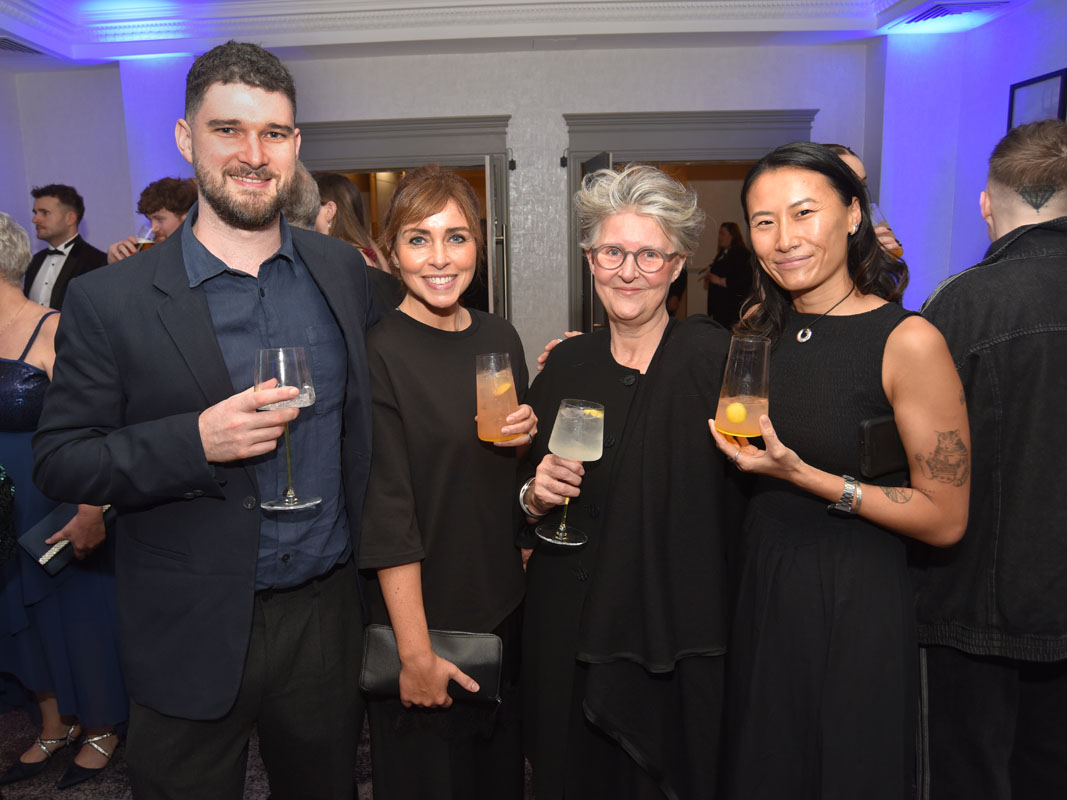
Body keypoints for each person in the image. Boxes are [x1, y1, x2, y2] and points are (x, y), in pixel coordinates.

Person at [32, 41, 377, 800]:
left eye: (274, 133)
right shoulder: (110, 299)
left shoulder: (340, 271)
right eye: (228, 130)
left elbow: (403, 369)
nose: (254, 154)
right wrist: (193, 441)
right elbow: (60, 459)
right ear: (187, 139)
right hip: (185, 622)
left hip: (323, 617)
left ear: (295, 144)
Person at [707, 141, 970, 799]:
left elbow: (944, 517)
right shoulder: (757, 328)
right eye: (764, 221)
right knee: (765, 767)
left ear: (853, 214)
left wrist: (806, 476)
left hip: (856, 595)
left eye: (804, 213)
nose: (783, 239)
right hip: (764, 582)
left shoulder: (907, 341)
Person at [519, 164, 735, 799]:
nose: (629, 271)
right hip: (565, 625)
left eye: (649, 255)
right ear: (591, 261)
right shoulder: (565, 364)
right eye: (612, 252)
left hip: (666, 632)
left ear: (678, 265)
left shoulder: (713, 363)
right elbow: (517, 495)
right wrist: (533, 495)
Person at [358, 164, 535, 799]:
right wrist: (414, 654)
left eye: (456, 237)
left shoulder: (499, 336)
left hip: (501, 609)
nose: (440, 258)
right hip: (423, 620)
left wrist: (526, 441)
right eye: (418, 238)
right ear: (390, 252)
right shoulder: (378, 352)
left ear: (478, 247)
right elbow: (387, 511)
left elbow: (503, 477)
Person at [913, 119, 1067, 800]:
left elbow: (909, 452)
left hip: (975, 604)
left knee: (968, 779)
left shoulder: (961, 304)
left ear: (985, 204)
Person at [0, 211, 126, 791]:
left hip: (54, 496)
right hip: (3, 503)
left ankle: (101, 725)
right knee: (19, 616)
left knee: (74, 612)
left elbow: (98, 426)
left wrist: (91, 509)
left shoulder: (52, 327)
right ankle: (54, 723)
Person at [23, 184, 107, 310]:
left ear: (70, 218)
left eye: (45, 213)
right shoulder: (34, 261)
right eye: (35, 213)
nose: (35, 219)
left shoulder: (97, 262)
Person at [825, 143, 905, 259]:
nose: (860, 193)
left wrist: (874, 258)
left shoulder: (863, 221)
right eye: (851, 184)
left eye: (862, 185)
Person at [106, 177, 198, 262]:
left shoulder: (197, 257)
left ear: (186, 217)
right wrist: (116, 265)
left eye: (160, 219)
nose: (153, 228)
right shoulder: (156, 254)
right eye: (150, 220)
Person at [313, 171, 389, 269]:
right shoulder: (362, 250)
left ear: (329, 211)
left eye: (310, 206)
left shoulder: (344, 257)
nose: (305, 213)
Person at [702, 221, 752, 326]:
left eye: (722, 234)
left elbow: (742, 280)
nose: (719, 237)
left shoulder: (742, 254)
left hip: (731, 308)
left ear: (732, 235)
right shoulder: (722, 253)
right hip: (719, 308)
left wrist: (719, 281)